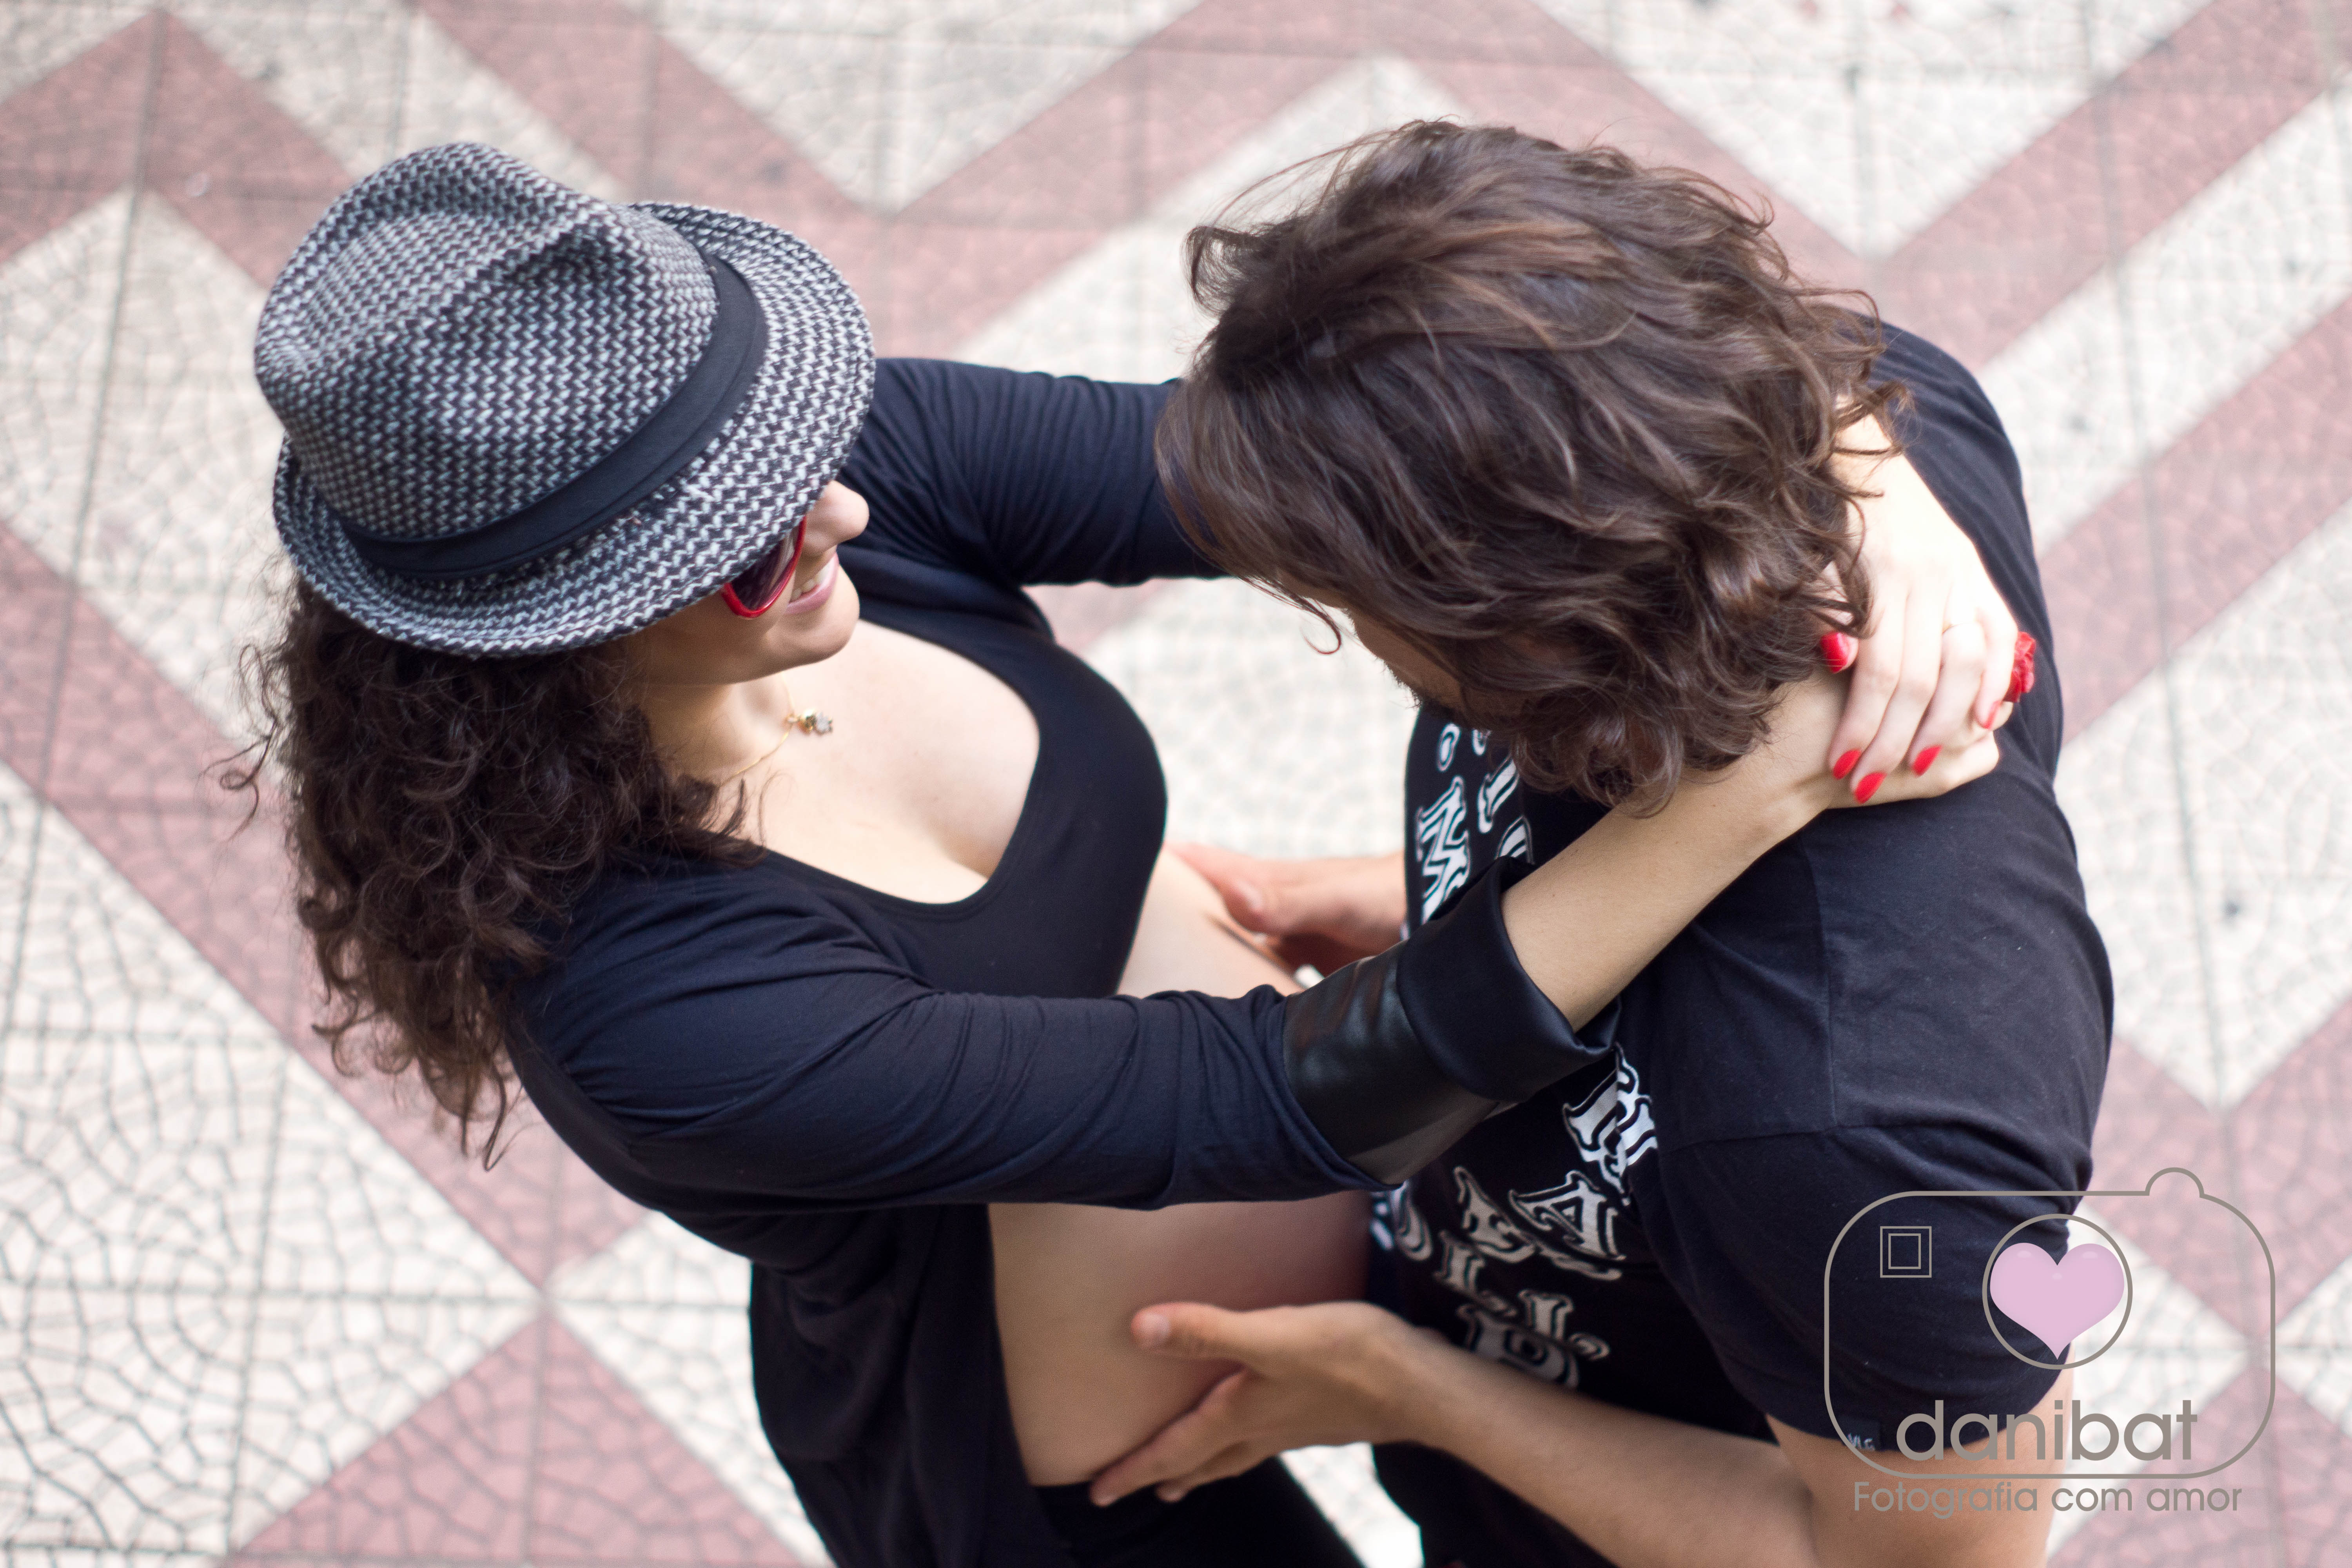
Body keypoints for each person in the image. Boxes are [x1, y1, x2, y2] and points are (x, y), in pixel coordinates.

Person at [238, 142, 2007, 1568]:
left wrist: (1864, 470)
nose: (839, 508)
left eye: (792, 445)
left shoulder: (836, 490)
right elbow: (1280, 1100)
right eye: (747, 539)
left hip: (1408, 1261)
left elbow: (1360, 461)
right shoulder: (657, 1009)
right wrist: (1738, 799)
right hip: (1094, 1473)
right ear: (557, 628)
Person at [1090, 124, 2111, 1568]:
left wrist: (1407, 1390)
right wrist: (1416, 906)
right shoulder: (1868, 451)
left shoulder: (1849, 1146)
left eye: (1345, 600)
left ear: (1531, 627)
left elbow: (1921, 1558)